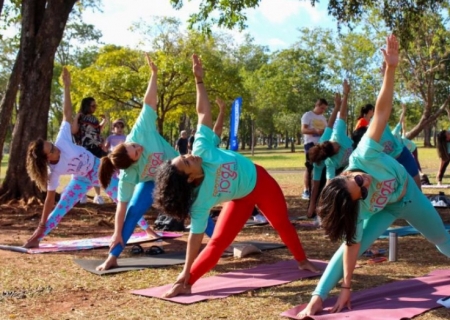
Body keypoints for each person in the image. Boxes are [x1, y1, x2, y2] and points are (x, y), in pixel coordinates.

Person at [298, 35, 450, 318]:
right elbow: (350, 247)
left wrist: (390, 70)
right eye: (363, 192)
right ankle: (316, 296)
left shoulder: (365, 153)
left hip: (408, 197)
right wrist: (339, 290)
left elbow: (381, 111)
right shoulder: (355, 205)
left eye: (357, 182)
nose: (365, 185)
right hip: (385, 210)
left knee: (441, 240)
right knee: (352, 244)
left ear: (342, 175)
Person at [153, 54, 320, 298]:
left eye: (186, 155)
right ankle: (186, 283)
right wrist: (185, 272)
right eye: (187, 162)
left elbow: (202, 114)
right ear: (189, 178)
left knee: (281, 223)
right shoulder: (199, 202)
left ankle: (302, 260)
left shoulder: (202, 149)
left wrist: (199, 80)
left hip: (261, 182)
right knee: (217, 243)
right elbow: (194, 239)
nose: (191, 155)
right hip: (240, 199)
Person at [23, 68, 150, 248]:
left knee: (122, 199)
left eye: (51, 144)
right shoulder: (54, 172)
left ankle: (148, 229)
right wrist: (42, 224)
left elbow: (67, 114)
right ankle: (37, 238)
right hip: (81, 179)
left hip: (99, 169)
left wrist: (67, 87)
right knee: (62, 207)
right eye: (51, 150)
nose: (55, 148)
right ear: (46, 159)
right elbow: (50, 200)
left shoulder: (62, 140)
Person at [95, 54, 179, 271]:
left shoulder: (139, 132)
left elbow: (149, 102)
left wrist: (154, 75)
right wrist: (116, 233)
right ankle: (113, 257)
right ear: (131, 165)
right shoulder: (128, 175)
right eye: (136, 154)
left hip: (175, 170)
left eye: (133, 147)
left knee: (193, 204)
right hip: (151, 181)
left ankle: (221, 243)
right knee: (133, 213)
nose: (138, 149)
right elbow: (121, 209)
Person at [307, 80, 352, 219]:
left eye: (335, 144)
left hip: (352, 159)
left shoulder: (333, 136)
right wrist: (314, 205)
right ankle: (321, 209)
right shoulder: (328, 163)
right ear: (331, 156)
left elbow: (337, 119)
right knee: (321, 187)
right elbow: (323, 184)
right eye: (336, 148)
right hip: (339, 165)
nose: (337, 145)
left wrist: (342, 99)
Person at [71, 95, 108, 204]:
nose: (95, 108)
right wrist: (76, 118)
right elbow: (74, 131)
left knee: (96, 171)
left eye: (95, 106)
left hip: (96, 148)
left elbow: (96, 131)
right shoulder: (80, 117)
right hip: (83, 149)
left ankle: (97, 195)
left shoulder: (94, 118)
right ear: (86, 106)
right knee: (82, 171)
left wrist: (104, 121)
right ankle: (82, 195)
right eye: (92, 106)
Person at [301, 98, 328, 200]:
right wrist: (315, 131)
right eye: (322, 108)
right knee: (309, 167)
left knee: (320, 167)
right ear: (317, 105)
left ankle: (318, 189)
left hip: (320, 145)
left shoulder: (323, 118)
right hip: (310, 144)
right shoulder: (308, 115)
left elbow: (326, 130)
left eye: (324, 109)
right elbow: (303, 130)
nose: (323, 111)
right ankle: (306, 190)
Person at [391, 104, 422, 174]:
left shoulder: (394, 133)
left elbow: (400, 122)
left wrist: (404, 111)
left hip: (413, 148)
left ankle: (420, 173)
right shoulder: (390, 142)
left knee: (415, 161)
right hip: (404, 151)